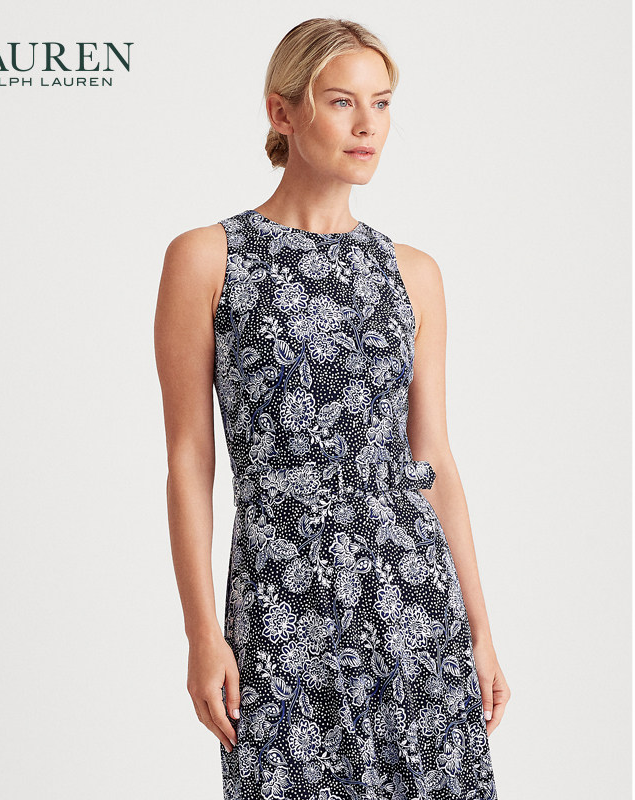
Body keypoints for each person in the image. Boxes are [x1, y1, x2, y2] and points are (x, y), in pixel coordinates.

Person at [154, 17, 509, 800]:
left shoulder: (413, 272)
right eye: (342, 101)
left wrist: (481, 631)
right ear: (281, 112)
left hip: (413, 596)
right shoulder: (207, 258)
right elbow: (189, 459)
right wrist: (202, 633)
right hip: (280, 597)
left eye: (381, 104)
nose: (367, 125)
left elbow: (434, 459)